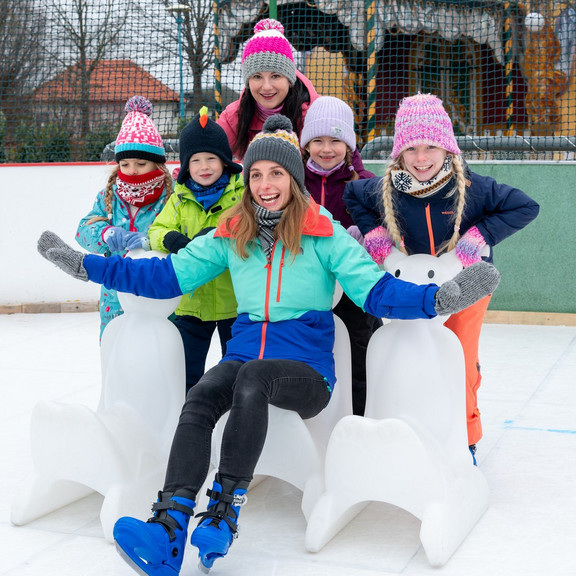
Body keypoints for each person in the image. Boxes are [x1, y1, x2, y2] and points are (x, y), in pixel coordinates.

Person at [38, 115, 501, 575]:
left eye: (276, 173)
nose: (265, 183)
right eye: (256, 174)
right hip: (244, 357)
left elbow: (377, 291)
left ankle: (222, 511)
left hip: (308, 373)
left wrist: (440, 297)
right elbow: (164, 275)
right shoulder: (232, 235)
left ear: (293, 180)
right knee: (199, 397)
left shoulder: (323, 235)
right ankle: (169, 527)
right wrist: (89, 266)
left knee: (252, 379)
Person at [343, 93, 540, 462]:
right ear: (399, 152)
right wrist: (374, 234)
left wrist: (478, 237)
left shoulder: (471, 186)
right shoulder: (387, 189)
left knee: (458, 361)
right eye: (412, 148)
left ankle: (466, 440)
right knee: (413, 358)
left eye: (431, 146)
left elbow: (526, 206)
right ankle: (412, 430)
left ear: (447, 147)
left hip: (467, 288)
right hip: (416, 289)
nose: (421, 158)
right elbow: (353, 194)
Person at [148, 107, 243, 392]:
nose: (204, 166)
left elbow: (247, 227)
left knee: (236, 371)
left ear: (224, 161)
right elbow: (155, 231)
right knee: (186, 373)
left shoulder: (240, 195)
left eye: (211, 158)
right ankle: (188, 419)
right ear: (187, 165)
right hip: (191, 303)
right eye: (196, 160)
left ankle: (232, 420)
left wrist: (219, 235)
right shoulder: (179, 198)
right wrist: (171, 239)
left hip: (235, 303)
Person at [300, 95, 381, 416]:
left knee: (360, 353)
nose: (326, 149)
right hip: (307, 287)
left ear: (349, 145)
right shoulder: (293, 181)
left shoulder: (366, 184)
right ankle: (312, 420)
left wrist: (365, 238)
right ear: (306, 144)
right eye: (317, 140)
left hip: (354, 289)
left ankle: (360, 419)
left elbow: (386, 234)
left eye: (336, 140)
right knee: (309, 353)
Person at [76, 95, 173, 337]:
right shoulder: (108, 196)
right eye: (126, 164)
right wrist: (106, 233)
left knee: (156, 360)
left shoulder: (171, 198)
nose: (132, 170)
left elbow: (181, 237)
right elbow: (82, 231)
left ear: (157, 165)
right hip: (114, 298)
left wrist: (150, 241)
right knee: (116, 359)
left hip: (157, 295)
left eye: (141, 163)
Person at [217, 18, 319, 161]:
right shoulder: (234, 117)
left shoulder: (316, 115)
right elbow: (205, 153)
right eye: (257, 77)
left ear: (289, 79)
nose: (266, 87)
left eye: (275, 76)